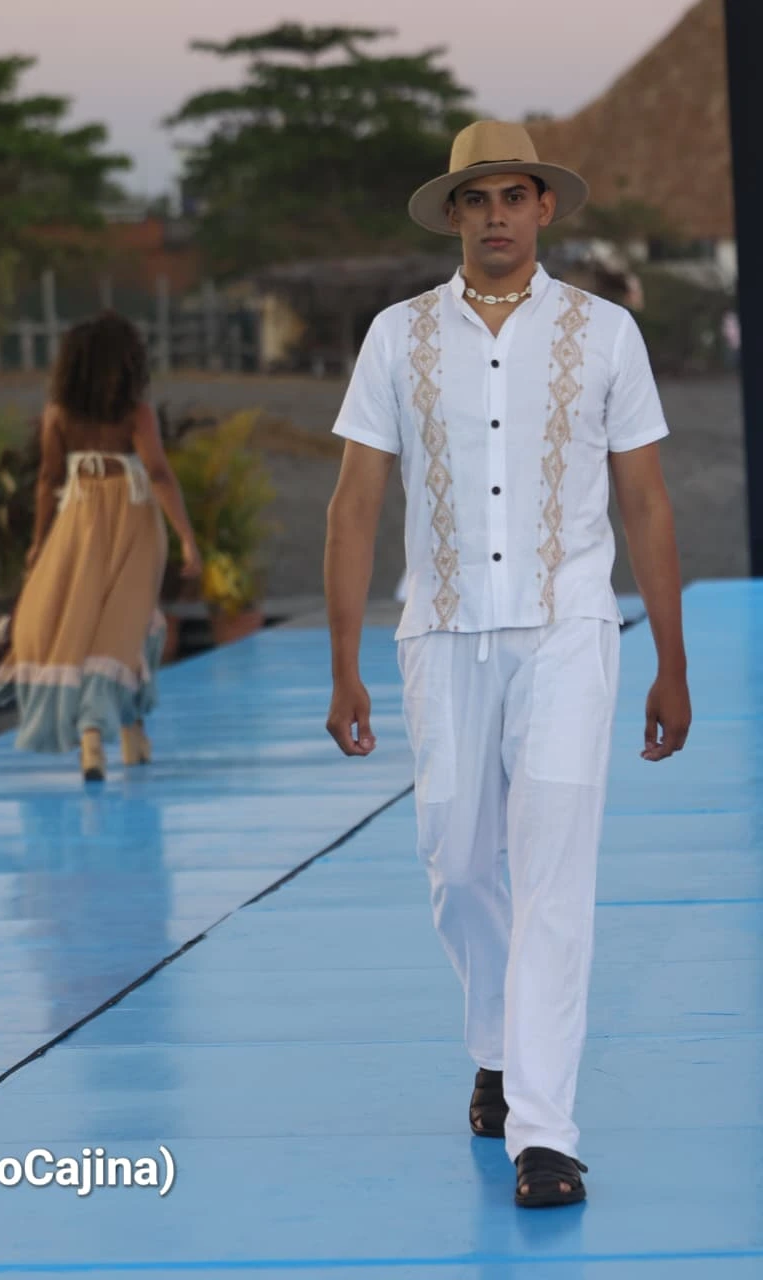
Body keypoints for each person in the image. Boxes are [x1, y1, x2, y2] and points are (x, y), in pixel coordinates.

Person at [323, 121, 691, 1209]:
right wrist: (342, 662)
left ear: (544, 208)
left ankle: (544, 1131)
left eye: (513, 196)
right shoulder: (395, 337)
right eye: (475, 198)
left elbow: (645, 501)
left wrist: (671, 660)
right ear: (453, 214)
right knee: (456, 861)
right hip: (440, 633)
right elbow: (354, 503)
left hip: (568, 631)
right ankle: (494, 1039)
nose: (495, 216)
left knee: (554, 877)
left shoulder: (607, 332)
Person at [3, 311, 201, 781]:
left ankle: (103, 737)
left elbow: (48, 479)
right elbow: (158, 473)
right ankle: (110, 727)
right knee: (127, 624)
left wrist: (38, 543)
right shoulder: (136, 412)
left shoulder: (58, 414)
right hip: (132, 517)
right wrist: (186, 537)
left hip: (78, 518)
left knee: (88, 624)